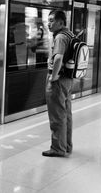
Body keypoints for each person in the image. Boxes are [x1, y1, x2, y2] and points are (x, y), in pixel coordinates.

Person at [43, 9, 73, 157]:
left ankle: (58, 148)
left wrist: (53, 77)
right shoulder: (69, 33)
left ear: (61, 22)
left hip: (59, 81)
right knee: (66, 114)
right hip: (67, 80)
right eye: (48, 20)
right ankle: (66, 146)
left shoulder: (60, 37)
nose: (49, 24)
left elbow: (58, 58)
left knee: (57, 116)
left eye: (52, 20)